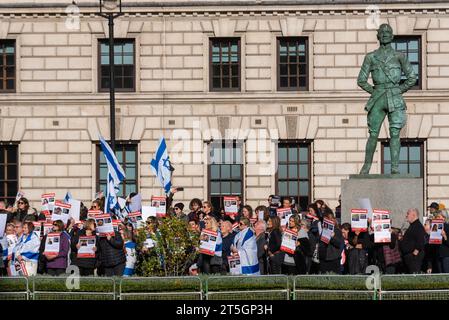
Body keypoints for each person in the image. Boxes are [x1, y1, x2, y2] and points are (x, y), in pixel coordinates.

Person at [399, 208, 426, 274]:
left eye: (408, 214)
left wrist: (414, 253)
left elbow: (421, 241)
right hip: (408, 257)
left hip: (414, 258)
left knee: (414, 276)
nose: (406, 215)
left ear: (413, 215)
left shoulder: (418, 226)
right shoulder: (412, 225)